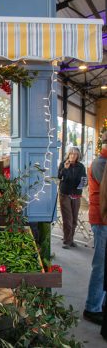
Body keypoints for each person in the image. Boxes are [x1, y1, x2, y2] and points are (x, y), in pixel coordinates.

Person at [84, 131, 107, 326]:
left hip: (102, 218)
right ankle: (92, 307)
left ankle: (100, 304)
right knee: (101, 265)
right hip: (101, 220)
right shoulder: (101, 163)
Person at [58, 147, 87, 249]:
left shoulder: (81, 166)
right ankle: (67, 241)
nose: (72, 156)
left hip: (76, 194)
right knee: (68, 219)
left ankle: (71, 239)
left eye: (75, 154)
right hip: (65, 194)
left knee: (74, 219)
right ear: (68, 154)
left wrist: (84, 182)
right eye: (71, 154)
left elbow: (84, 179)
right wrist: (65, 169)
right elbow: (59, 177)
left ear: (78, 156)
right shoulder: (63, 164)